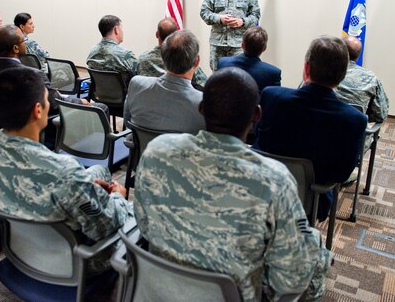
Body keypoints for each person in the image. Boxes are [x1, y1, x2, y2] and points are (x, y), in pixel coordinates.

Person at [134, 67, 331, 302]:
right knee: (316, 253)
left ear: (201, 108)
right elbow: (290, 280)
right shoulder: (274, 179)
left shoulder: (158, 150)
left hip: (157, 290)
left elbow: (143, 224)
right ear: (257, 115)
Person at [0, 67, 133, 249]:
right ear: (38, 110)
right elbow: (104, 227)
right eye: (46, 100)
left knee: (99, 171)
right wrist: (118, 197)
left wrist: (84, 185)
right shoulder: (65, 171)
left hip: (15, 248)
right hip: (74, 264)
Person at [254, 36, 367, 219]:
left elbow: (259, 137)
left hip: (262, 190)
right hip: (311, 203)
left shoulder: (272, 97)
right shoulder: (354, 120)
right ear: (342, 76)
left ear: (306, 68)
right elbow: (342, 174)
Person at [0, 25, 98, 116]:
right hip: (39, 121)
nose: (25, 42)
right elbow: (54, 103)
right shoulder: (33, 74)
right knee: (100, 108)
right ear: (16, 48)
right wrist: (78, 101)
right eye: (23, 40)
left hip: (6, 122)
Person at [124, 29, 205, 134]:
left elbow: (127, 123)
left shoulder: (136, 84)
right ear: (197, 61)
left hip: (144, 150)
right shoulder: (204, 104)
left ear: (163, 57)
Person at [200, 0, 260, 71]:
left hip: (238, 45)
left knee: (238, 77)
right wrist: (219, 18)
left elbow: (256, 15)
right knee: (217, 77)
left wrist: (243, 21)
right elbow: (204, 12)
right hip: (218, 44)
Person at [137, 17, 208, 89]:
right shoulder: (186, 59)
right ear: (176, 35)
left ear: (157, 34)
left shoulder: (142, 60)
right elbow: (204, 85)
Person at [335, 36, 389, 123]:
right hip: (355, 134)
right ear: (358, 55)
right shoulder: (370, 78)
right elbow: (381, 114)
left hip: (317, 133)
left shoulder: (319, 73)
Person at [217, 26, 281, 92]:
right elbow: (273, 99)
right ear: (264, 48)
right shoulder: (273, 73)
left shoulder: (223, 63)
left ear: (242, 45)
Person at [86, 15, 138, 86]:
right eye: (121, 29)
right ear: (116, 30)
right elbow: (138, 78)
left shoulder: (92, 51)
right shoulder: (126, 55)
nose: (122, 32)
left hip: (100, 95)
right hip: (125, 96)